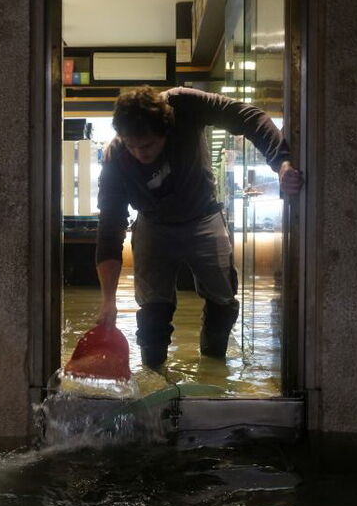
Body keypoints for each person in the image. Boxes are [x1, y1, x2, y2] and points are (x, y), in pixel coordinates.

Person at [95, 86, 303, 369]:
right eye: (131, 146)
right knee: (152, 314)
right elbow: (110, 228)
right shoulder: (116, 159)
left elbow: (247, 117)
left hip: (203, 215)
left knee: (223, 302)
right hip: (153, 224)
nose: (139, 153)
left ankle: (213, 368)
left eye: (147, 146)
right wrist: (108, 300)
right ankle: (154, 374)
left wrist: (281, 164)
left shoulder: (184, 106)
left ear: (166, 131)